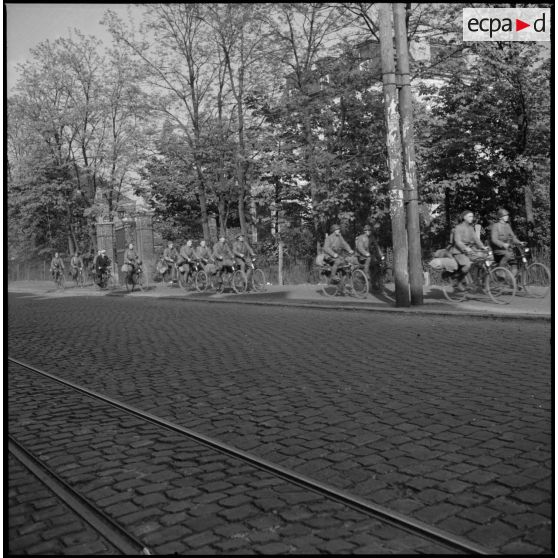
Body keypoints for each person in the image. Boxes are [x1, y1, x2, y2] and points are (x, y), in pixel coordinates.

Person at [450, 210, 488, 291]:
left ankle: (477, 281)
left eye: (472, 216)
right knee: (467, 265)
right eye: (470, 216)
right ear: (464, 217)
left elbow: (476, 239)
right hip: (458, 252)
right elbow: (457, 241)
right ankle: (457, 280)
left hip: (469, 250)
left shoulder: (471, 228)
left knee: (482, 259)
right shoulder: (458, 227)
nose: (472, 218)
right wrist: (465, 248)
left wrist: (483, 247)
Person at [490, 208, 523, 276]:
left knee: (514, 262)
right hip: (497, 250)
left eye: (507, 215)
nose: (507, 217)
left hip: (506, 249)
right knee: (508, 254)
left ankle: (512, 282)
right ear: (500, 217)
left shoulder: (507, 226)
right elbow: (494, 239)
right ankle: (499, 271)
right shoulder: (495, 226)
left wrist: (519, 242)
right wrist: (503, 244)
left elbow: (513, 237)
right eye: (505, 215)